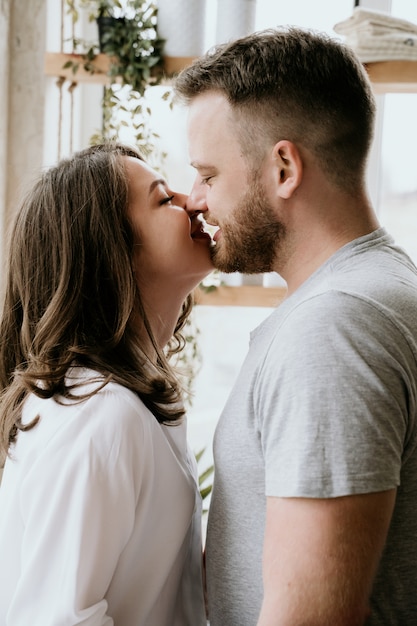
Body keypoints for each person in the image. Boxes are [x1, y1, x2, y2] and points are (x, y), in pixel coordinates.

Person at [174, 26, 417, 626]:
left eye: (209, 173)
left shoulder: (334, 329)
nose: (194, 198)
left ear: (284, 166)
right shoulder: (376, 290)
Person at [0, 142, 213, 625]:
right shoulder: (98, 414)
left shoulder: (130, 403)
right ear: (113, 254)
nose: (193, 200)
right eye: (163, 199)